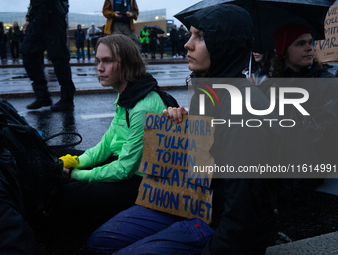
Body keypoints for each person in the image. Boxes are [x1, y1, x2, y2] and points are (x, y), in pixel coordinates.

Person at [87, 5, 280, 255]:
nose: (187, 44)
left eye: (199, 37)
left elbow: (242, 216)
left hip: (216, 221)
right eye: (190, 35)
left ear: (223, 44)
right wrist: (181, 126)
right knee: (100, 241)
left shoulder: (245, 109)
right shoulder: (209, 92)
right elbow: (204, 159)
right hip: (191, 202)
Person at [38, 34, 178, 252]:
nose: (99, 68)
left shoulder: (142, 105)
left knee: (68, 192)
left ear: (128, 64)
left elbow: (124, 170)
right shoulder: (127, 96)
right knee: (58, 156)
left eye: (108, 61)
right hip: (128, 171)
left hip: (143, 184)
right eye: (97, 61)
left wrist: (75, 175)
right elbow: (104, 146)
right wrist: (72, 162)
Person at [260, 23, 338, 206]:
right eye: (300, 43)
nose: (309, 47)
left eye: (311, 42)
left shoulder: (325, 82)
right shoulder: (270, 84)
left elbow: (322, 130)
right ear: (284, 51)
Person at [20, 0, 76, 111]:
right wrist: (28, 18)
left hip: (54, 18)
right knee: (28, 52)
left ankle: (67, 99)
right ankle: (42, 96)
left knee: (59, 58)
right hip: (38, 19)